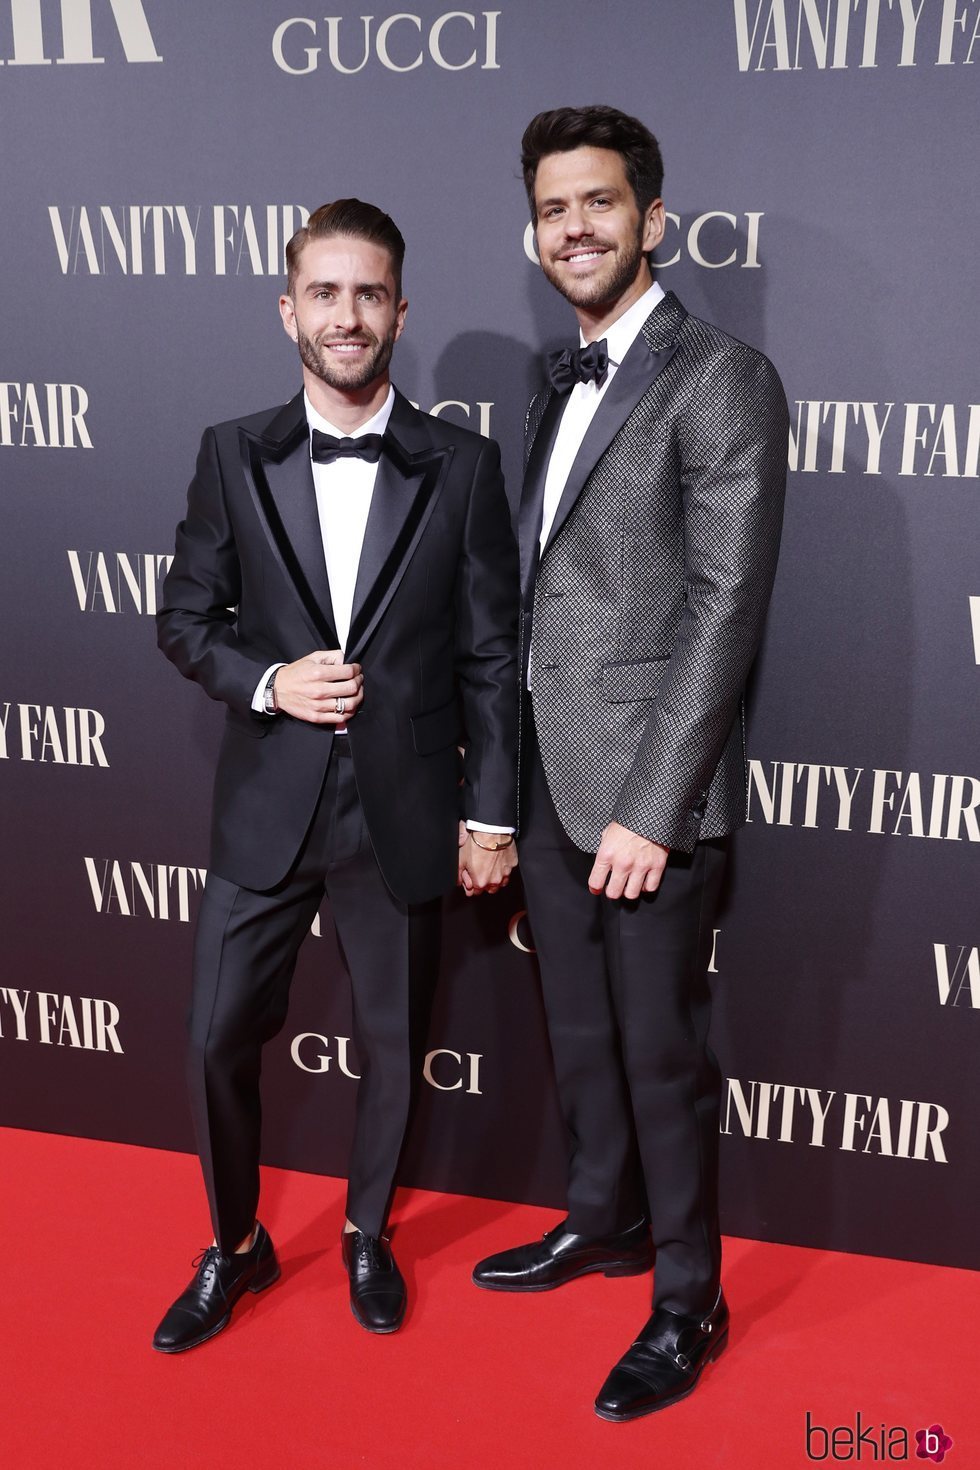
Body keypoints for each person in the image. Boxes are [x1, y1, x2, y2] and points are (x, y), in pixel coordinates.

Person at [153, 198, 518, 1350]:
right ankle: (236, 1245)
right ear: (287, 311)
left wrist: (491, 813)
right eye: (325, 292)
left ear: (399, 310)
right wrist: (269, 684)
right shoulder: (230, 451)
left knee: (392, 1047)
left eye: (369, 294)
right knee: (215, 1034)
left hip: (403, 810)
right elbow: (184, 620)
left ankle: (367, 1233)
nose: (347, 316)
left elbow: (490, 655)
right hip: (268, 803)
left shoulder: (463, 467)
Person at [472, 107, 788, 1420]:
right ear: (534, 230)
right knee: (580, 1030)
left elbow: (725, 605)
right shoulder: (555, 377)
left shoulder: (721, 377)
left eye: (600, 203)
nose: (576, 228)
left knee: (661, 1050)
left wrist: (657, 807)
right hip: (548, 776)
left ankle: (685, 1297)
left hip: (646, 795)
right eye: (554, 209)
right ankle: (599, 1219)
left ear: (652, 220)